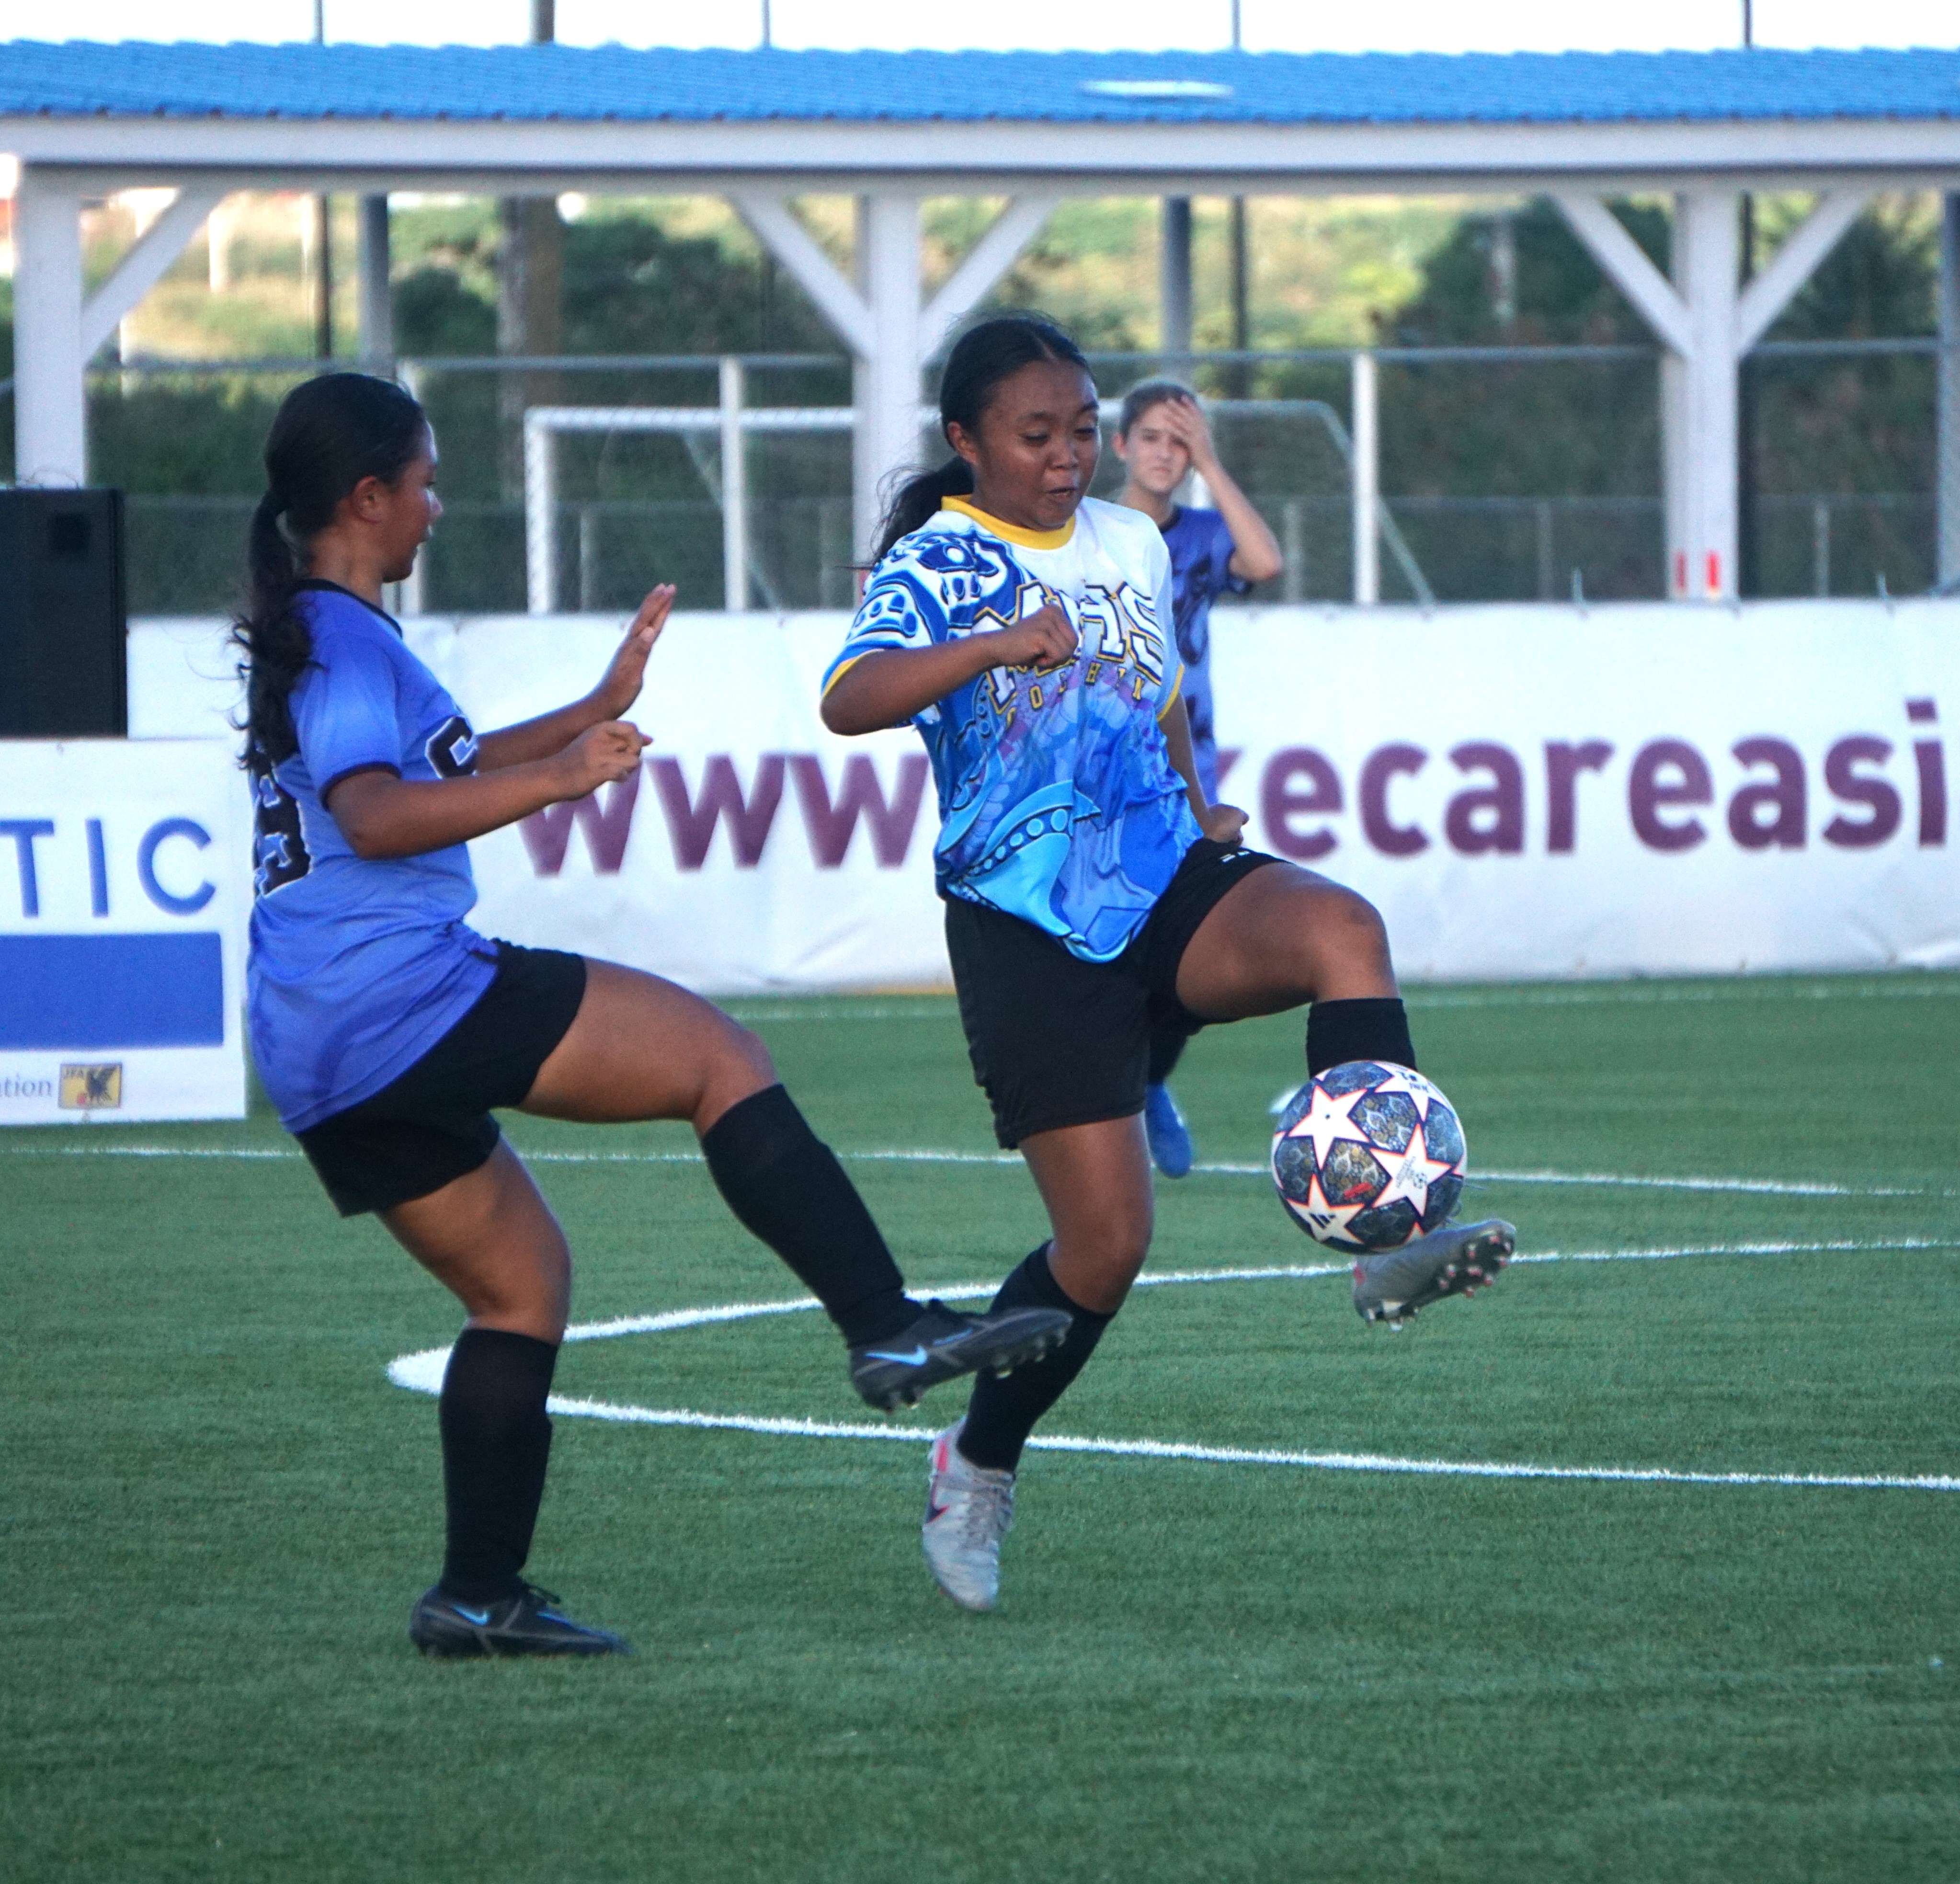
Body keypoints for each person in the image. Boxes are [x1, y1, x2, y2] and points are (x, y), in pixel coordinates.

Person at [235, 372, 1071, 1661]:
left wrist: (589, 709)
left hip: (317, 1042)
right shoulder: (345, 638)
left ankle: (477, 1597)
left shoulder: (324, 628)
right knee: (715, 1060)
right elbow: (375, 815)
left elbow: (432, 770)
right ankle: (884, 1323)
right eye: (425, 480)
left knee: (522, 1291)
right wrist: (568, 778)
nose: (436, 505)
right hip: (398, 994)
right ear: (365, 496)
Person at [820, 316, 1515, 1614]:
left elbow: (1164, 698)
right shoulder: (941, 560)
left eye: (1082, 427)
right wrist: (990, 646)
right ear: (968, 443)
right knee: (1106, 1247)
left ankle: (1388, 1236)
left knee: (1341, 928)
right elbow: (849, 698)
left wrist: (1203, 808)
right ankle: (976, 1461)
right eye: (1037, 434)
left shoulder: (1133, 540)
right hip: (1026, 926)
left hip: (1165, 875)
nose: (1068, 454)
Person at [1111, 380, 1283, 1179]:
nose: (1163, 453)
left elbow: (1265, 561)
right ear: (1120, 445)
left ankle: (1149, 1081)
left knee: (1190, 942)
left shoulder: (1203, 537)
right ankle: (1107, 1098)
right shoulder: (1090, 533)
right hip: (1096, 765)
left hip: (1188, 772)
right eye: (1151, 437)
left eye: (1179, 442)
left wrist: (1212, 462)